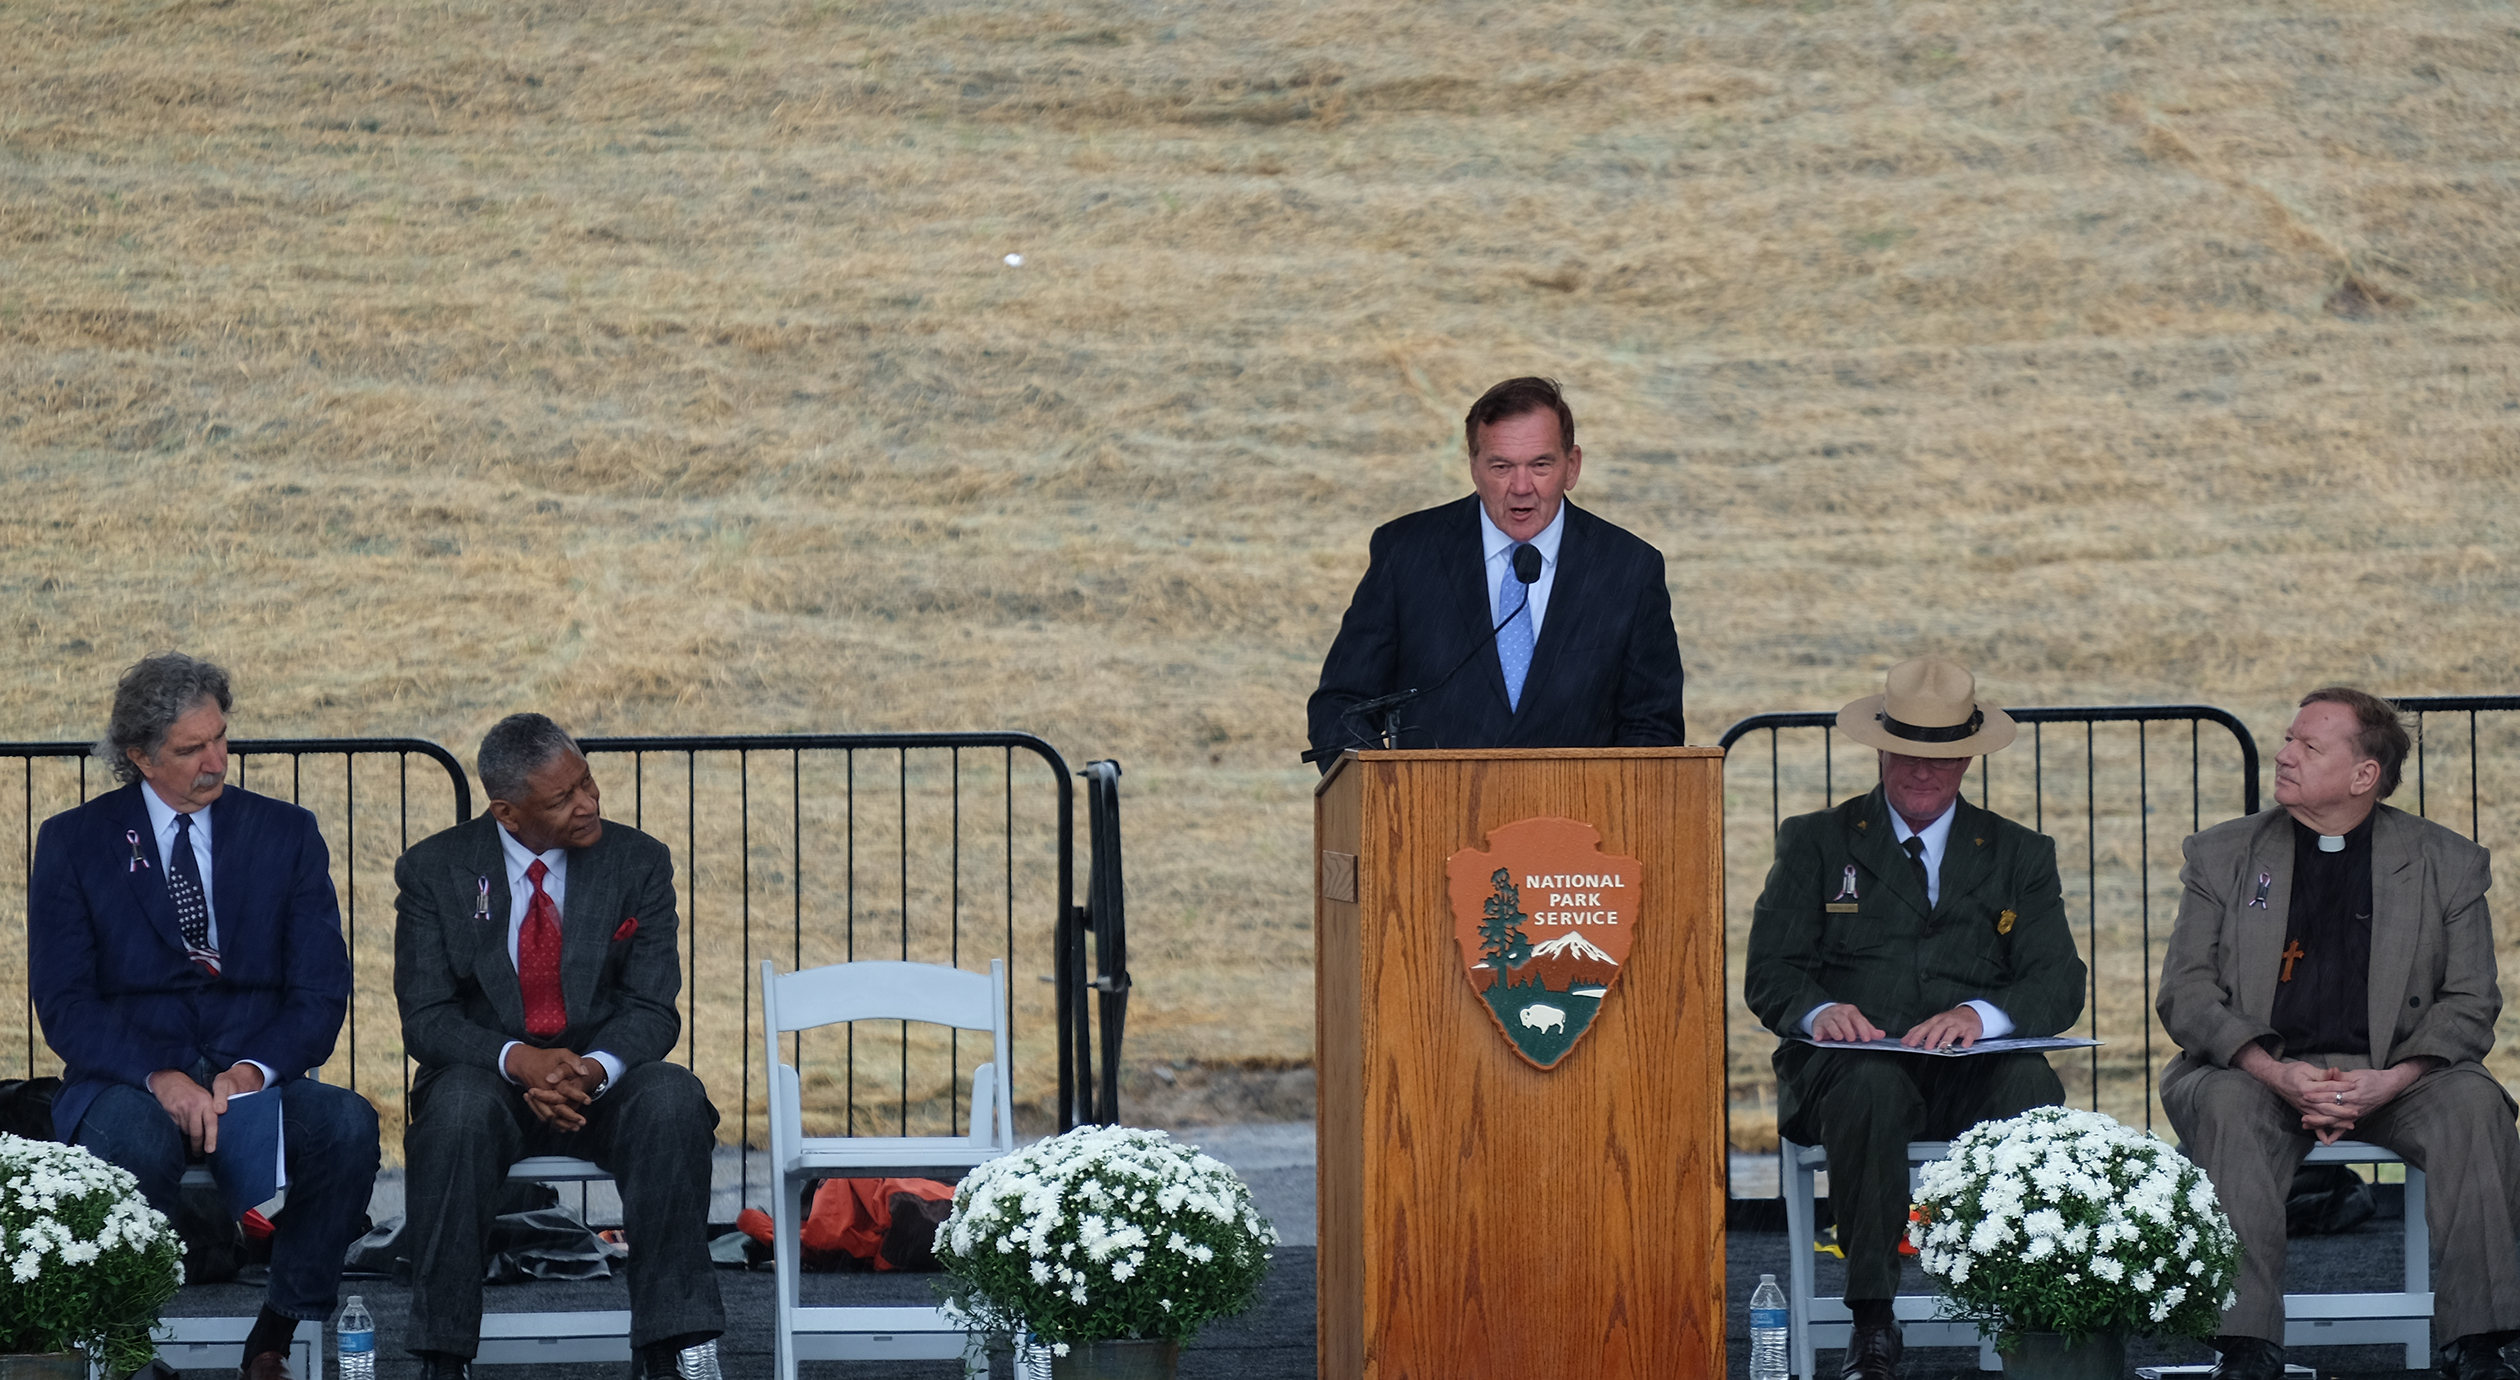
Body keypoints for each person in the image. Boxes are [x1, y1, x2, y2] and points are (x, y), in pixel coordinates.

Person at [29, 653, 380, 1380]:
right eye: (192, 749)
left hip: (251, 1070)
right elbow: (65, 1003)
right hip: (128, 1075)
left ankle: (277, 1329)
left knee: (346, 1126)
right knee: (133, 1144)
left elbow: (320, 989)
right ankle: (128, 1347)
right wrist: (158, 1077)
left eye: (221, 737)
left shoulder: (286, 833)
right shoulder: (75, 841)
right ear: (139, 755)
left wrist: (254, 1070)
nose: (216, 761)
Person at [2159, 688, 2520, 1380]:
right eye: (2287, 738)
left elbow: (2473, 1001)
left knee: (2475, 1104)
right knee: (2229, 1105)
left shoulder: (2447, 862)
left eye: (2307, 745)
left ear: (2364, 775)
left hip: (2399, 1074)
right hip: (2256, 1071)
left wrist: (2393, 1079)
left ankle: (2478, 1343)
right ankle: (2245, 1346)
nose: (2283, 754)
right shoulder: (2221, 855)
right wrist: (2275, 1072)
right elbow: (2187, 992)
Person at [1744, 657, 2087, 1380]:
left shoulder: (2021, 853)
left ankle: (2029, 1309)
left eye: (1942, 756)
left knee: (2030, 1084)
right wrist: (1821, 1010)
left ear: (1968, 759)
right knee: (1871, 1089)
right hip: (1847, 1072)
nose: (1923, 771)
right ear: (1879, 751)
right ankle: (1873, 1321)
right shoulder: (1816, 841)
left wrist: (1980, 1015)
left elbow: (2059, 982)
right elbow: (1770, 971)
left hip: (1970, 1073)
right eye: (1907, 754)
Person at [393, 714, 724, 1380]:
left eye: (588, 782)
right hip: (487, 1076)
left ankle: (670, 1349)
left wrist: (593, 1069)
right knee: (456, 1113)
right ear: (507, 813)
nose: (589, 802)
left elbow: (652, 1006)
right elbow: (427, 1018)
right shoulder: (435, 869)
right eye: (563, 797)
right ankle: (442, 1356)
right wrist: (522, 1062)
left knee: (672, 1098)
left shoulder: (638, 861)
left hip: (603, 1081)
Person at [1304, 375, 1686, 763]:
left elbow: (1653, 726)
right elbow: (1342, 707)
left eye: (1540, 465)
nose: (1521, 487)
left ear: (1572, 467)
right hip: (1431, 802)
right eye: (1501, 466)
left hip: (1580, 804)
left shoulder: (1629, 569)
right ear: (1474, 468)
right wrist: (1388, 789)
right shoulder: (1407, 554)